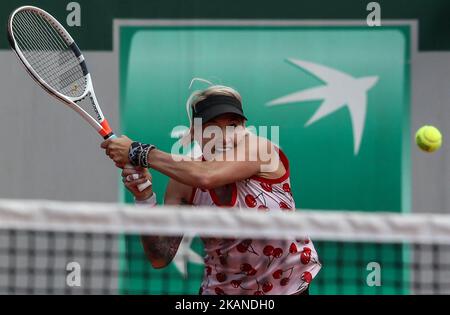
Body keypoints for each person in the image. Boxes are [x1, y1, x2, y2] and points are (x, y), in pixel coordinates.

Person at [101, 84, 321, 295]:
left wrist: (139, 152)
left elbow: (207, 176)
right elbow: (160, 256)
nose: (225, 136)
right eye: (212, 127)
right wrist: (144, 198)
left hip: (290, 290)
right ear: (195, 134)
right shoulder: (184, 183)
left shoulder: (261, 150)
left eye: (234, 125)